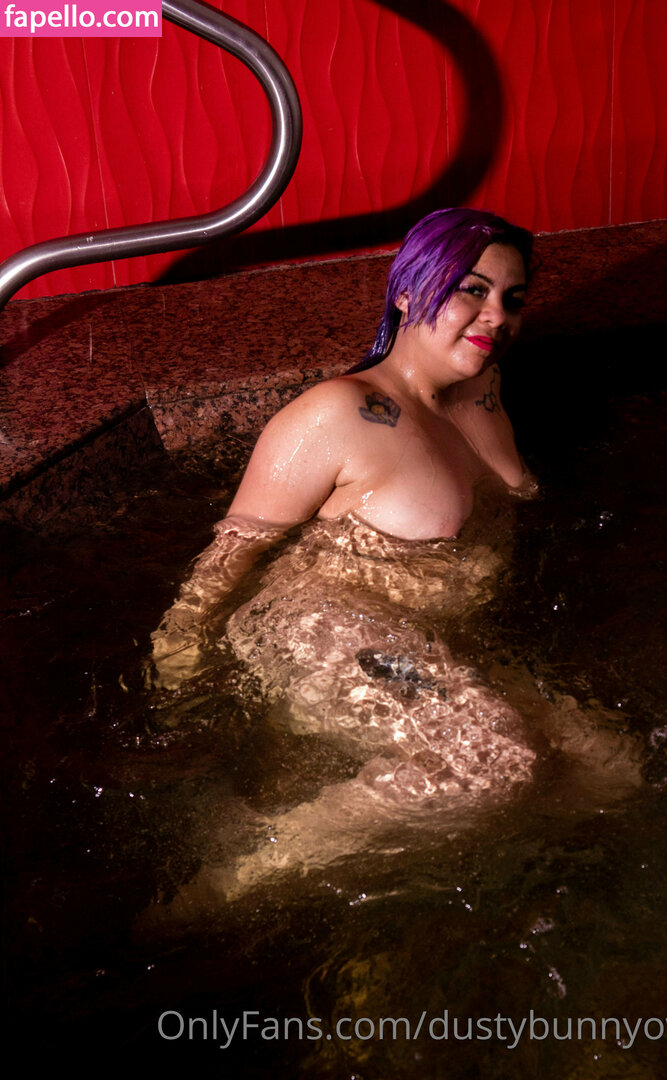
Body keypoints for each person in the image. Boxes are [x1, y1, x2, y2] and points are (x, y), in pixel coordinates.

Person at [147, 208, 639, 909]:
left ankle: (483, 891)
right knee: (488, 763)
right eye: (472, 290)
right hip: (320, 620)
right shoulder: (338, 413)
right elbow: (234, 546)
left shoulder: (484, 395)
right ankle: (233, 876)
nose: (497, 316)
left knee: (613, 767)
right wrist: (177, 655)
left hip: (428, 633)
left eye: (512, 298)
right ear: (408, 292)